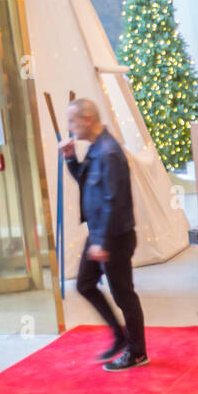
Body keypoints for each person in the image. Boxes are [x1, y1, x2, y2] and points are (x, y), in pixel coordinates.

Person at [61, 98, 147, 370]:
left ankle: (137, 352)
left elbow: (114, 201)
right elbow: (87, 183)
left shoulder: (109, 153)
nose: (70, 127)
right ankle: (120, 338)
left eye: (72, 121)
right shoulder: (98, 149)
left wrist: (102, 243)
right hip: (99, 233)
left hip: (114, 237)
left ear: (87, 120)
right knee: (85, 284)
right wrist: (71, 158)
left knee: (124, 295)